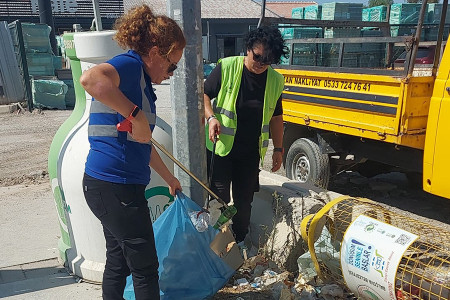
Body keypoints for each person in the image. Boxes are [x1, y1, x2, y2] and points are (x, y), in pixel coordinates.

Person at [79, 5, 185, 299]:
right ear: (154, 53)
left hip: (111, 187)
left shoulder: (142, 83)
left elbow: (143, 142)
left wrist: (168, 178)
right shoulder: (128, 66)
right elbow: (89, 79)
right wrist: (136, 114)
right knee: (145, 268)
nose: (172, 73)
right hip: (115, 187)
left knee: (119, 261)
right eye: (171, 65)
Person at [204, 26, 288, 244]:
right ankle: (215, 243)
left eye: (267, 60)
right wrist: (211, 117)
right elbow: (203, 94)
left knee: (244, 203)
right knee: (218, 200)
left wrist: (278, 149)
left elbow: (277, 117)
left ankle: (238, 243)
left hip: (250, 153)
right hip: (221, 148)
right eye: (257, 56)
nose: (260, 64)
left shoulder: (275, 81)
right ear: (248, 48)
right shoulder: (227, 67)